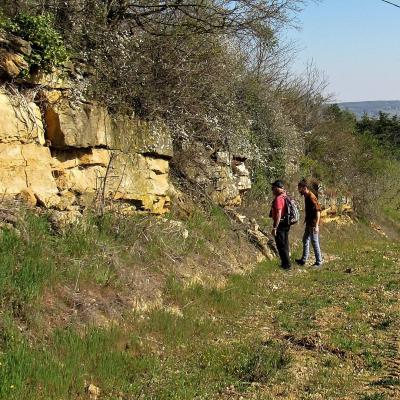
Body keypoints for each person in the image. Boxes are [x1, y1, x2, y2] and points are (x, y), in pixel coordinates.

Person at [295, 180, 323, 267]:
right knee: (305, 239)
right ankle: (303, 260)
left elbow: (318, 211)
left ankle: (319, 262)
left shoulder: (311, 197)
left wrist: (317, 225)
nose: (299, 191)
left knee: (314, 241)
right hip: (309, 223)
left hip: (313, 224)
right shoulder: (306, 196)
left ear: (304, 188)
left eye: (300, 189)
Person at [269, 180, 291, 270]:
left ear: (278, 188)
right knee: (285, 243)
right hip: (286, 223)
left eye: (273, 188)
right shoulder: (285, 196)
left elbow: (278, 213)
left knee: (281, 245)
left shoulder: (278, 199)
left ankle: (286, 265)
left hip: (280, 224)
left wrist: (275, 227)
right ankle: (286, 264)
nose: (272, 190)